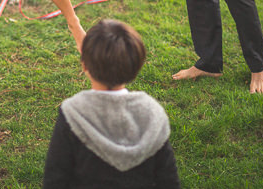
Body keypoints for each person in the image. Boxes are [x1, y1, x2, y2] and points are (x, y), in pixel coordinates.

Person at [43, 19, 180, 188]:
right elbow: (169, 181)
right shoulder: (152, 112)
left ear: (84, 65)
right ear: (136, 67)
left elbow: (55, 178)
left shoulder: (72, 113)